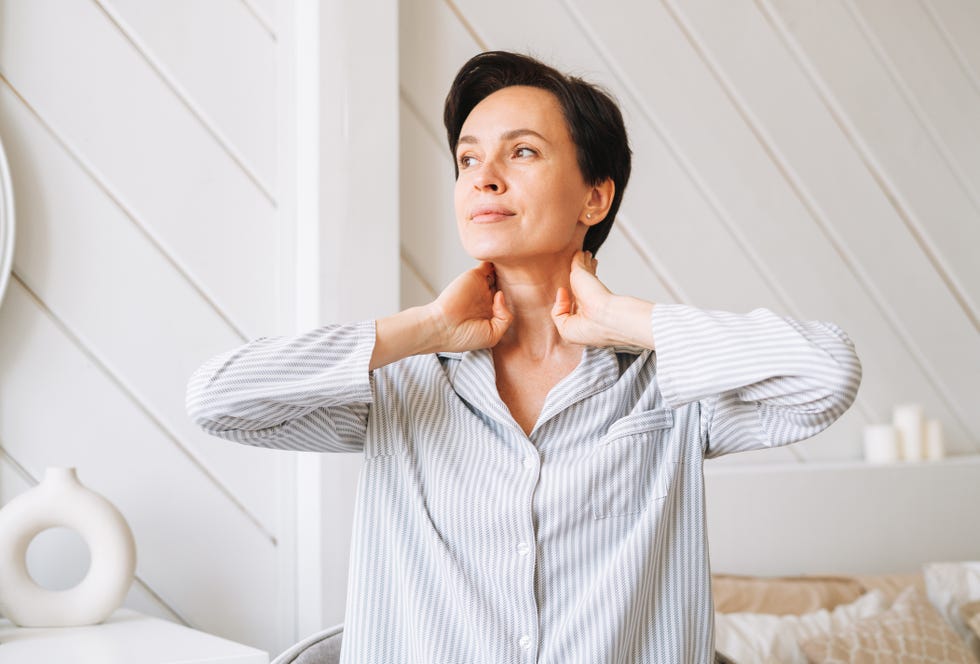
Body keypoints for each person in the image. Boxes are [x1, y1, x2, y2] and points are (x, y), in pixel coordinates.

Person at [187, 51, 862, 664]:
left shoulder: (667, 385)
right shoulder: (403, 384)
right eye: (468, 159)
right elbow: (217, 399)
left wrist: (624, 317)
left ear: (594, 197)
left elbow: (826, 374)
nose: (485, 179)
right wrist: (422, 327)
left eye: (523, 153)